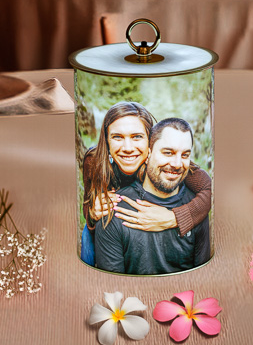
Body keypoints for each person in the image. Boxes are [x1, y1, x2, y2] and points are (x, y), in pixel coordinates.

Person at [80, 102, 212, 265]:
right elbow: (87, 202)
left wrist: (175, 218)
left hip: (146, 224)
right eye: (117, 137)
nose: (128, 148)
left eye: (137, 137)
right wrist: (93, 212)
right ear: (106, 141)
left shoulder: (168, 163)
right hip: (113, 228)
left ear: (150, 142)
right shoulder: (94, 161)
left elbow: (208, 188)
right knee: (87, 237)